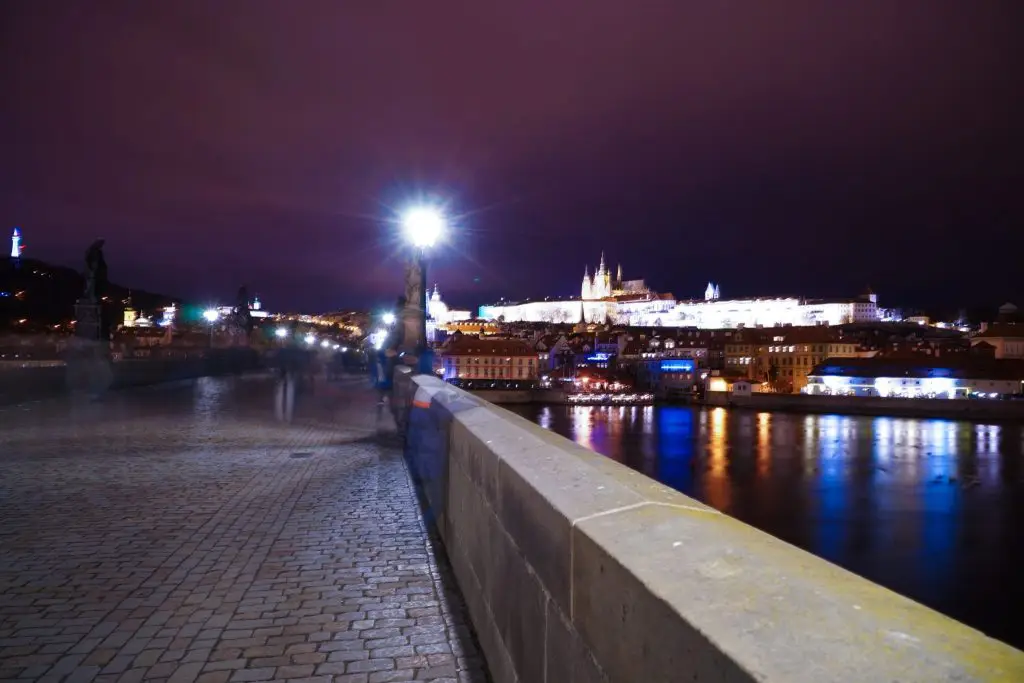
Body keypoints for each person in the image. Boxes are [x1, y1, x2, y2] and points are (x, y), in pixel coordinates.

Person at [274, 321, 301, 422]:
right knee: (281, 393)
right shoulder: (280, 346)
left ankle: (287, 417)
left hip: (289, 371)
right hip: (282, 371)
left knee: (288, 393)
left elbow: (297, 358)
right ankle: (280, 416)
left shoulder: (293, 346)